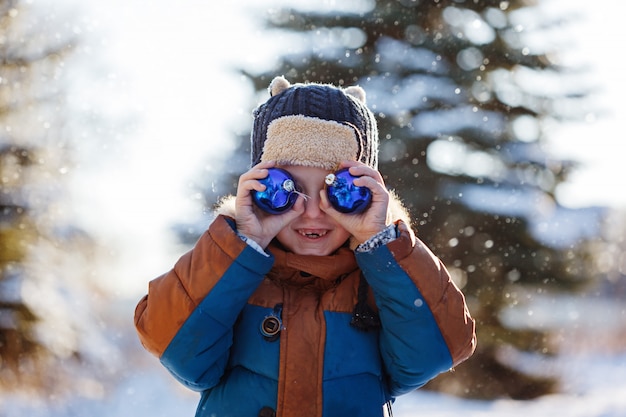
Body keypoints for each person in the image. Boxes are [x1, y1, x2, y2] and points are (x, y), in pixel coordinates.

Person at [134, 76, 476, 417]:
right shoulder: (233, 273)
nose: (312, 212)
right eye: (284, 189)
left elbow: (442, 348)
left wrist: (383, 245)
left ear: (370, 195)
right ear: (256, 188)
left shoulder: (380, 282)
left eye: (340, 191)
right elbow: (176, 348)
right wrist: (242, 244)